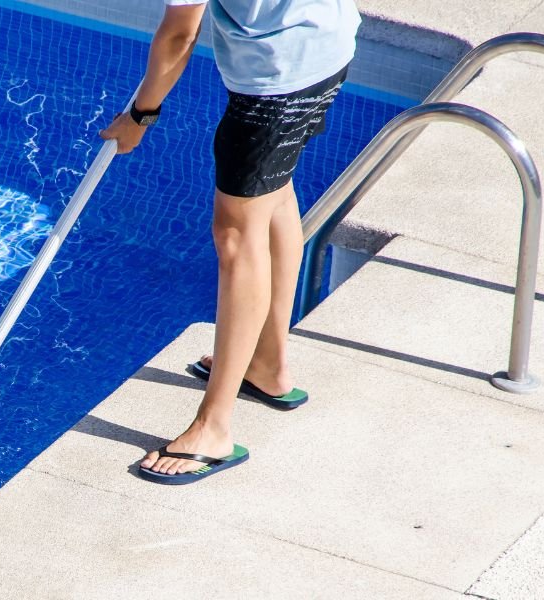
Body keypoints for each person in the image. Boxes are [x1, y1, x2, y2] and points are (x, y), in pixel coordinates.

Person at [100, 0, 360, 484]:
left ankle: (213, 428)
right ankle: (267, 365)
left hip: (275, 80)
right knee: (274, 194)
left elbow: (181, 33)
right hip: (325, 46)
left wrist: (140, 115)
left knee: (236, 236)